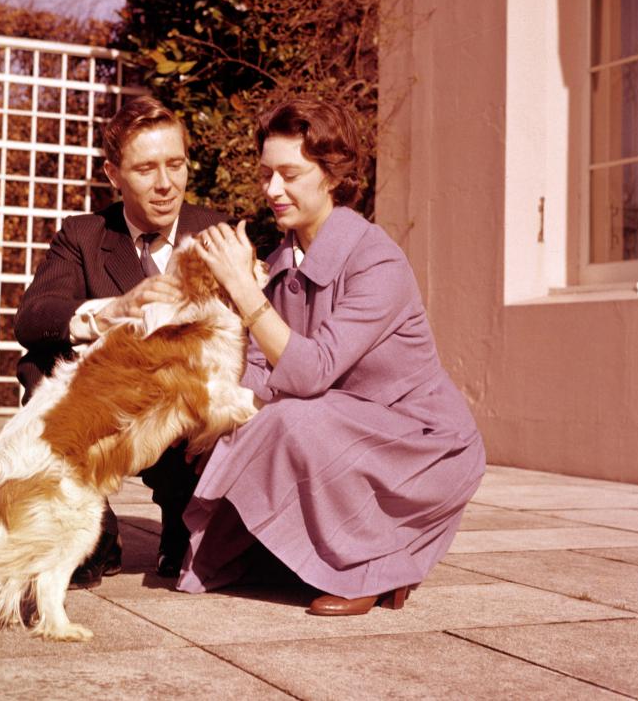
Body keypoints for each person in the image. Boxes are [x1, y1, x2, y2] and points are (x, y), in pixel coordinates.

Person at [180, 97, 486, 615]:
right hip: (342, 428)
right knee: (240, 424)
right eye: (266, 174)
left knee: (294, 420)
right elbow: (258, 371)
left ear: (332, 175)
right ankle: (308, 554)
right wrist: (206, 415)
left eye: (290, 175)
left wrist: (243, 290)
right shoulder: (282, 262)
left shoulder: (377, 259)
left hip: (418, 445)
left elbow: (312, 370)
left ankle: (369, 568)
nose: (272, 190)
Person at [14, 95, 226, 584]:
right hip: (106, 404)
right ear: (113, 174)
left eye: (175, 165)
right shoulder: (83, 236)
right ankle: (95, 535)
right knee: (43, 364)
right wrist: (114, 310)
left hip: (182, 407)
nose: (165, 184)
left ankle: (182, 523)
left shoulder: (212, 230)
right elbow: (33, 318)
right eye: (146, 169)